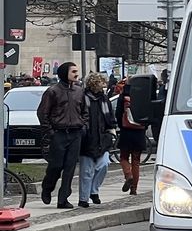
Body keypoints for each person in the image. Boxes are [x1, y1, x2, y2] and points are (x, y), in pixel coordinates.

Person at [37, 62, 86, 208]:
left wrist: (82, 125)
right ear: (65, 73)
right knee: (56, 165)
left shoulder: (79, 91)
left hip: (75, 133)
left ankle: (63, 198)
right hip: (59, 133)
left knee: (70, 167)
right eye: (73, 71)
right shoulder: (53, 91)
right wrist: (50, 132)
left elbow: (84, 111)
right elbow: (42, 113)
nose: (76, 74)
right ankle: (48, 187)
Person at [78, 73, 117, 207]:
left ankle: (93, 190)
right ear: (95, 83)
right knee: (86, 171)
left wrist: (111, 131)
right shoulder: (83, 98)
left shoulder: (104, 99)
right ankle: (83, 198)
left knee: (104, 165)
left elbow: (110, 117)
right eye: (102, 82)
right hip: (87, 139)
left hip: (102, 138)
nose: (104, 85)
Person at [116, 83, 149, 195]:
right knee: (136, 161)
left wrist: (122, 126)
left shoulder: (123, 96)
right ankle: (134, 189)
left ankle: (128, 175)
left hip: (126, 131)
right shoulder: (144, 96)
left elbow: (118, 113)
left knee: (123, 157)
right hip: (139, 132)